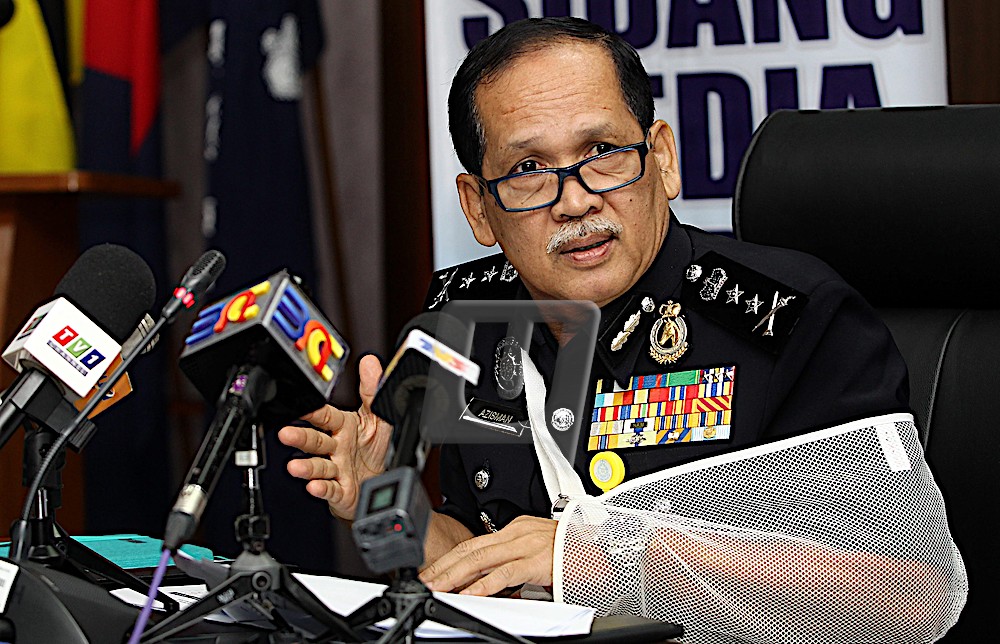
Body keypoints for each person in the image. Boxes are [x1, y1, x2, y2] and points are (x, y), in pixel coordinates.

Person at [279, 17, 965, 642]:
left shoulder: (786, 317)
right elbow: (492, 570)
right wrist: (391, 506)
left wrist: (592, 558)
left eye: (603, 150)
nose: (575, 200)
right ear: (479, 209)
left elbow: (908, 596)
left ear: (661, 158)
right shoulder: (469, 332)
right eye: (528, 170)